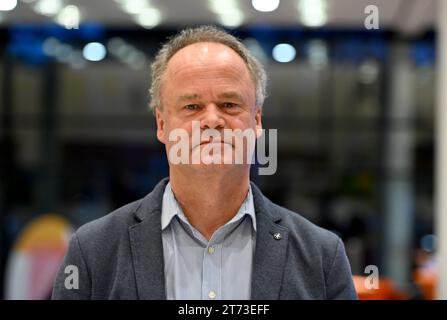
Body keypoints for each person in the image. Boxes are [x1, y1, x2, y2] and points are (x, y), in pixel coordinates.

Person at [52, 25, 357, 300]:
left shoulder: (322, 256)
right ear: (161, 124)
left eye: (229, 104)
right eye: (192, 106)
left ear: (257, 121)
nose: (212, 120)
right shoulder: (92, 252)